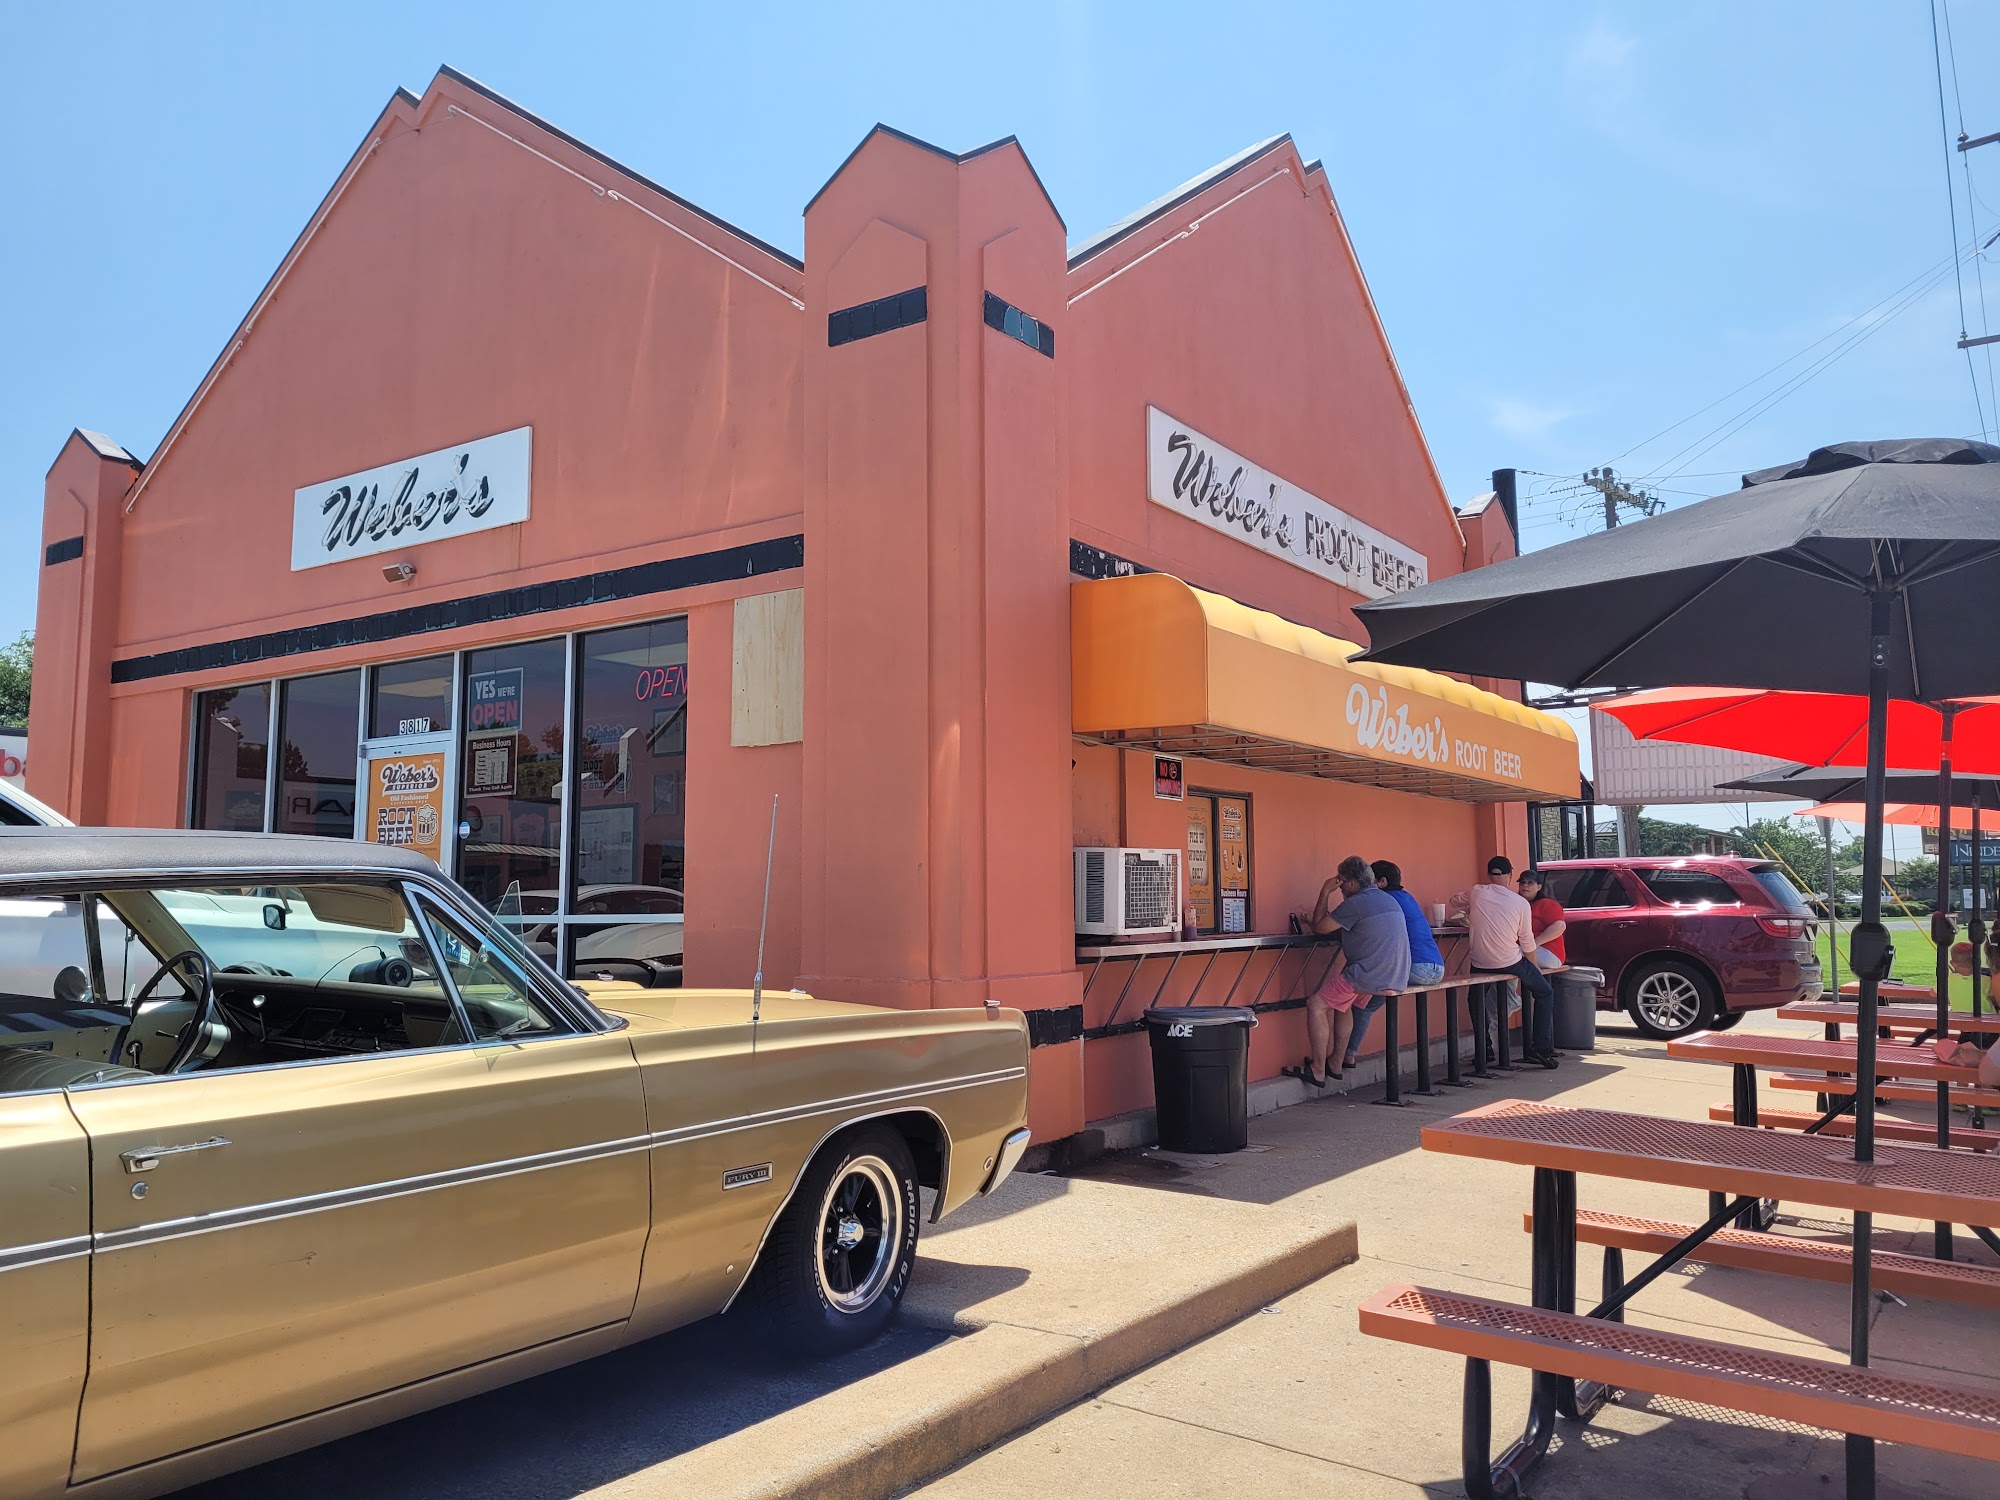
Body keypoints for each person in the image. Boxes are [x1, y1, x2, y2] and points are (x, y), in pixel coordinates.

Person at [1286, 855, 1411, 1088]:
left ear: (1352, 883)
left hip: (1368, 973)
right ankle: (1335, 1063)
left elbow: (1321, 927)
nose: (1340, 886)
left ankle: (1318, 1070)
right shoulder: (1386, 899)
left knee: (1316, 1004)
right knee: (1345, 1005)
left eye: (1341, 882)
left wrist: (1325, 892)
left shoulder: (1356, 903)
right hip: (1395, 973)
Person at [1332, 860, 1446, 1071]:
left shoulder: (1382, 900)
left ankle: (1347, 1056)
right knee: (1365, 999)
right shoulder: (1407, 897)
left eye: (1371, 880)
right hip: (1437, 966)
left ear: (1382, 882)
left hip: (1415, 967)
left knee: (1362, 1003)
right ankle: (1346, 1056)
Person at [1447, 854, 1557, 1068]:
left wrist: (1470, 907)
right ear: (1510, 876)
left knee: (1475, 998)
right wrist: (1533, 967)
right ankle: (1540, 1049)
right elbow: (1526, 941)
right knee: (1545, 993)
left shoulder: (1477, 891)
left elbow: (1453, 901)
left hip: (1480, 962)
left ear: (1488, 875)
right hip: (1511, 961)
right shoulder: (1520, 902)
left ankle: (1485, 1049)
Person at [1517, 868, 1567, 971]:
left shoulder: (1547, 904)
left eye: (1530, 883)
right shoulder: (1517, 904)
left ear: (1539, 887)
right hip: (1525, 950)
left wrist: (1535, 943)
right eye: (1522, 882)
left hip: (1549, 952)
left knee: (1509, 959)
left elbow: (1560, 926)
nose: (1525, 885)